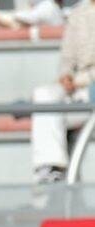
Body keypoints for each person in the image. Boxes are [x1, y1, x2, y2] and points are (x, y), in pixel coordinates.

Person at [30, 2, 95, 184]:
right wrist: (65, 75)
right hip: (79, 92)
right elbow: (67, 58)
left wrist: (79, 81)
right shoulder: (78, 14)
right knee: (43, 95)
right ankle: (51, 168)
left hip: (90, 89)